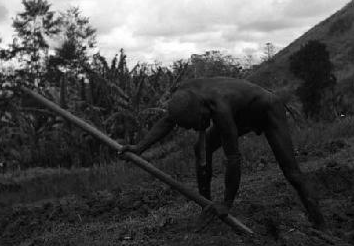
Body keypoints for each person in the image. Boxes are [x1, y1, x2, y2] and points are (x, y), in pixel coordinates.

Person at [120, 76, 325, 230]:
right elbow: (167, 121)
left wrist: (227, 203)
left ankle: (319, 222)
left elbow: (233, 158)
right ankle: (206, 206)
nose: (196, 129)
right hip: (242, 113)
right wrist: (139, 148)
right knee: (201, 148)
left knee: (292, 173)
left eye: (197, 125)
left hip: (267, 110)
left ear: (203, 111)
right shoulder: (184, 97)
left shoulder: (220, 108)